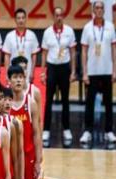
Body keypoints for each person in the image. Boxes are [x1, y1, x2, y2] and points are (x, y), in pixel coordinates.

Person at [80, 0, 116, 144]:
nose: (99, 10)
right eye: (97, 8)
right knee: (89, 103)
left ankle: (109, 131)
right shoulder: (87, 28)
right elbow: (84, 51)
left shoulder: (110, 27)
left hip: (107, 70)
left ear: (104, 10)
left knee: (108, 103)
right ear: (93, 10)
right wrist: (84, 72)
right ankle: (87, 131)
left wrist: (114, 70)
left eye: (102, 8)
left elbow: (114, 49)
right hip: (92, 71)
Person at [40, 6, 77, 145]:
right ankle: (46, 130)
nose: (59, 17)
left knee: (65, 100)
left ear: (63, 17)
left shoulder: (69, 31)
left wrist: (73, 71)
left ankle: (66, 129)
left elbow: (73, 52)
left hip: (64, 68)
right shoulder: (47, 32)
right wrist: (43, 72)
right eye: (56, 15)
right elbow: (44, 53)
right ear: (53, 17)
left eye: (61, 15)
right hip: (52, 68)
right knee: (48, 100)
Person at [2, 8, 40, 83]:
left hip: (27, 72)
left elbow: (34, 56)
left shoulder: (32, 35)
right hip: (13, 73)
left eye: (23, 18)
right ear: (15, 20)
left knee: (26, 90)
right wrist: (7, 73)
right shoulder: (9, 36)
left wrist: (32, 72)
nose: (21, 20)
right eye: (18, 18)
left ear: (26, 19)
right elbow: (7, 56)